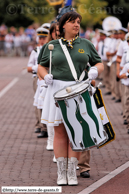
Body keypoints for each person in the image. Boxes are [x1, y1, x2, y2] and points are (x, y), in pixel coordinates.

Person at [38, 10, 104, 186]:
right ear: (63, 25)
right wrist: (45, 76)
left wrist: (95, 70)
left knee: (77, 131)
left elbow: (99, 62)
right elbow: (41, 67)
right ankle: (61, 172)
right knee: (59, 131)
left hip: (79, 89)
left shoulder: (86, 44)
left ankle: (71, 172)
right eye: (72, 22)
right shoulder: (52, 46)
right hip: (58, 90)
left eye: (78, 22)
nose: (76, 25)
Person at [27, 26, 48, 135]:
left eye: (44, 38)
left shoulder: (50, 49)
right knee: (39, 102)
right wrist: (36, 67)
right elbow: (28, 68)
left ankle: (46, 126)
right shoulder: (35, 51)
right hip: (37, 78)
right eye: (40, 38)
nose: (42, 40)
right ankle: (41, 125)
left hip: (48, 77)